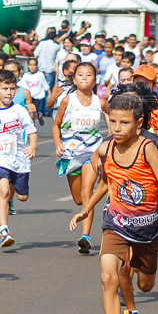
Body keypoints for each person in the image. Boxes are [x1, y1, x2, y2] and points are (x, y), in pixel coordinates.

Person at [69, 91, 158, 314]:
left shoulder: (148, 149)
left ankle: (141, 274)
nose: (117, 129)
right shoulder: (106, 149)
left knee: (146, 285)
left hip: (148, 228)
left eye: (124, 123)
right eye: (113, 122)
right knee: (108, 276)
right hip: (116, 223)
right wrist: (87, 208)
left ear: (139, 123)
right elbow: (106, 183)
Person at [0, 69, 38, 248]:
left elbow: (32, 131)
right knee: (2, 190)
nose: (9, 93)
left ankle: (12, 194)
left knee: (23, 197)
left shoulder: (19, 111)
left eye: (12, 89)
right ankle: (4, 231)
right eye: (4, 89)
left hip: (19, 158)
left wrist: (32, 146)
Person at [53, 62, 107, 253]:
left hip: (92, 153)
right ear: (74, 79)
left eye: (89, 75)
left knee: (87, 191)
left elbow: (113, 122)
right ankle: (86, 212)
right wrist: (58, 144)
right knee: (78, 199)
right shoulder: (68, 100)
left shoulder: (100, 102)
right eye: (81, 75)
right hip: (71, 154)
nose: (84, 78)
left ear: (95, 79)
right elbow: (56, 125)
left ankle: (85, 236)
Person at [20, 57, 49, 123]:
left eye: (34, 65)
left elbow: (45, 85)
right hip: (29, 97)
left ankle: (38, 115)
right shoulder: (25, 75)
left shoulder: (40, 74)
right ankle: (32, 122)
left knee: (33, 112)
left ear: (37, 66)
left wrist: (49, 94)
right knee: (29, 112)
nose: (32, 67)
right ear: (28, 66)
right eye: (30, 65)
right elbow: (21, 85)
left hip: (37, 97)